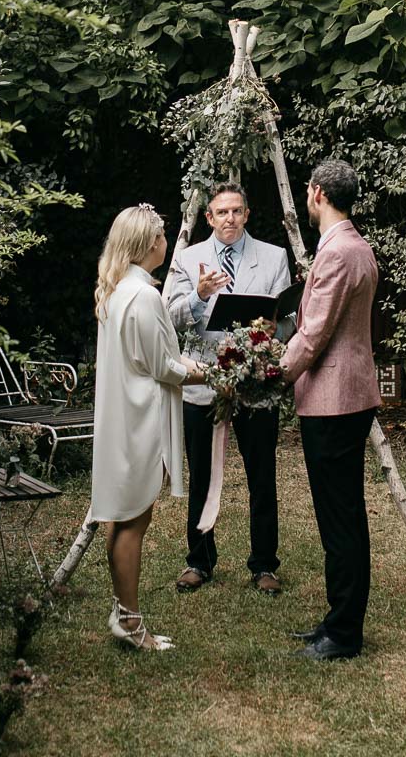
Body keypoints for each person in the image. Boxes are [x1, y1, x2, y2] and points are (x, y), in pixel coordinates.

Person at [87, 204, 208, 651]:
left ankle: (123, 612)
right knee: (134, 519)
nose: (165, 240)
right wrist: (213, 373)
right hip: (141, 421)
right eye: (160, 235)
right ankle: (132, 623)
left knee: (126, 516)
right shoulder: (144, 296)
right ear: (146, 245)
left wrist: (190, 366)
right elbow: (164, 366)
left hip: (124, 415)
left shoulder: (119, 291)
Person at [163, 182, 293, 595]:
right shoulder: (187, 259)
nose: (230, 219)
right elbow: (167, 318)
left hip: (254, 383)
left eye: (237, 211)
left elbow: (290, 319)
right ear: (209, 218)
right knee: (200, 473)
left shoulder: (273, 257)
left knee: (262, 474)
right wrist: (199, 296)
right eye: (222, 212)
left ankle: (264, 564)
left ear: (247, 214)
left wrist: (276, 329)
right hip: (202, 382)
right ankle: (199, 561)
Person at [280, 159, 381, 661]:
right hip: (344, 398)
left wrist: (271, 369)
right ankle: (337, 619)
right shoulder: (354, 246)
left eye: (307, 191)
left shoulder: (340, 252)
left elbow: (314, 333)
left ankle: (343, 634)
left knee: (340, 517)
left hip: (335, 402)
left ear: (317, 193)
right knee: (341, 514)